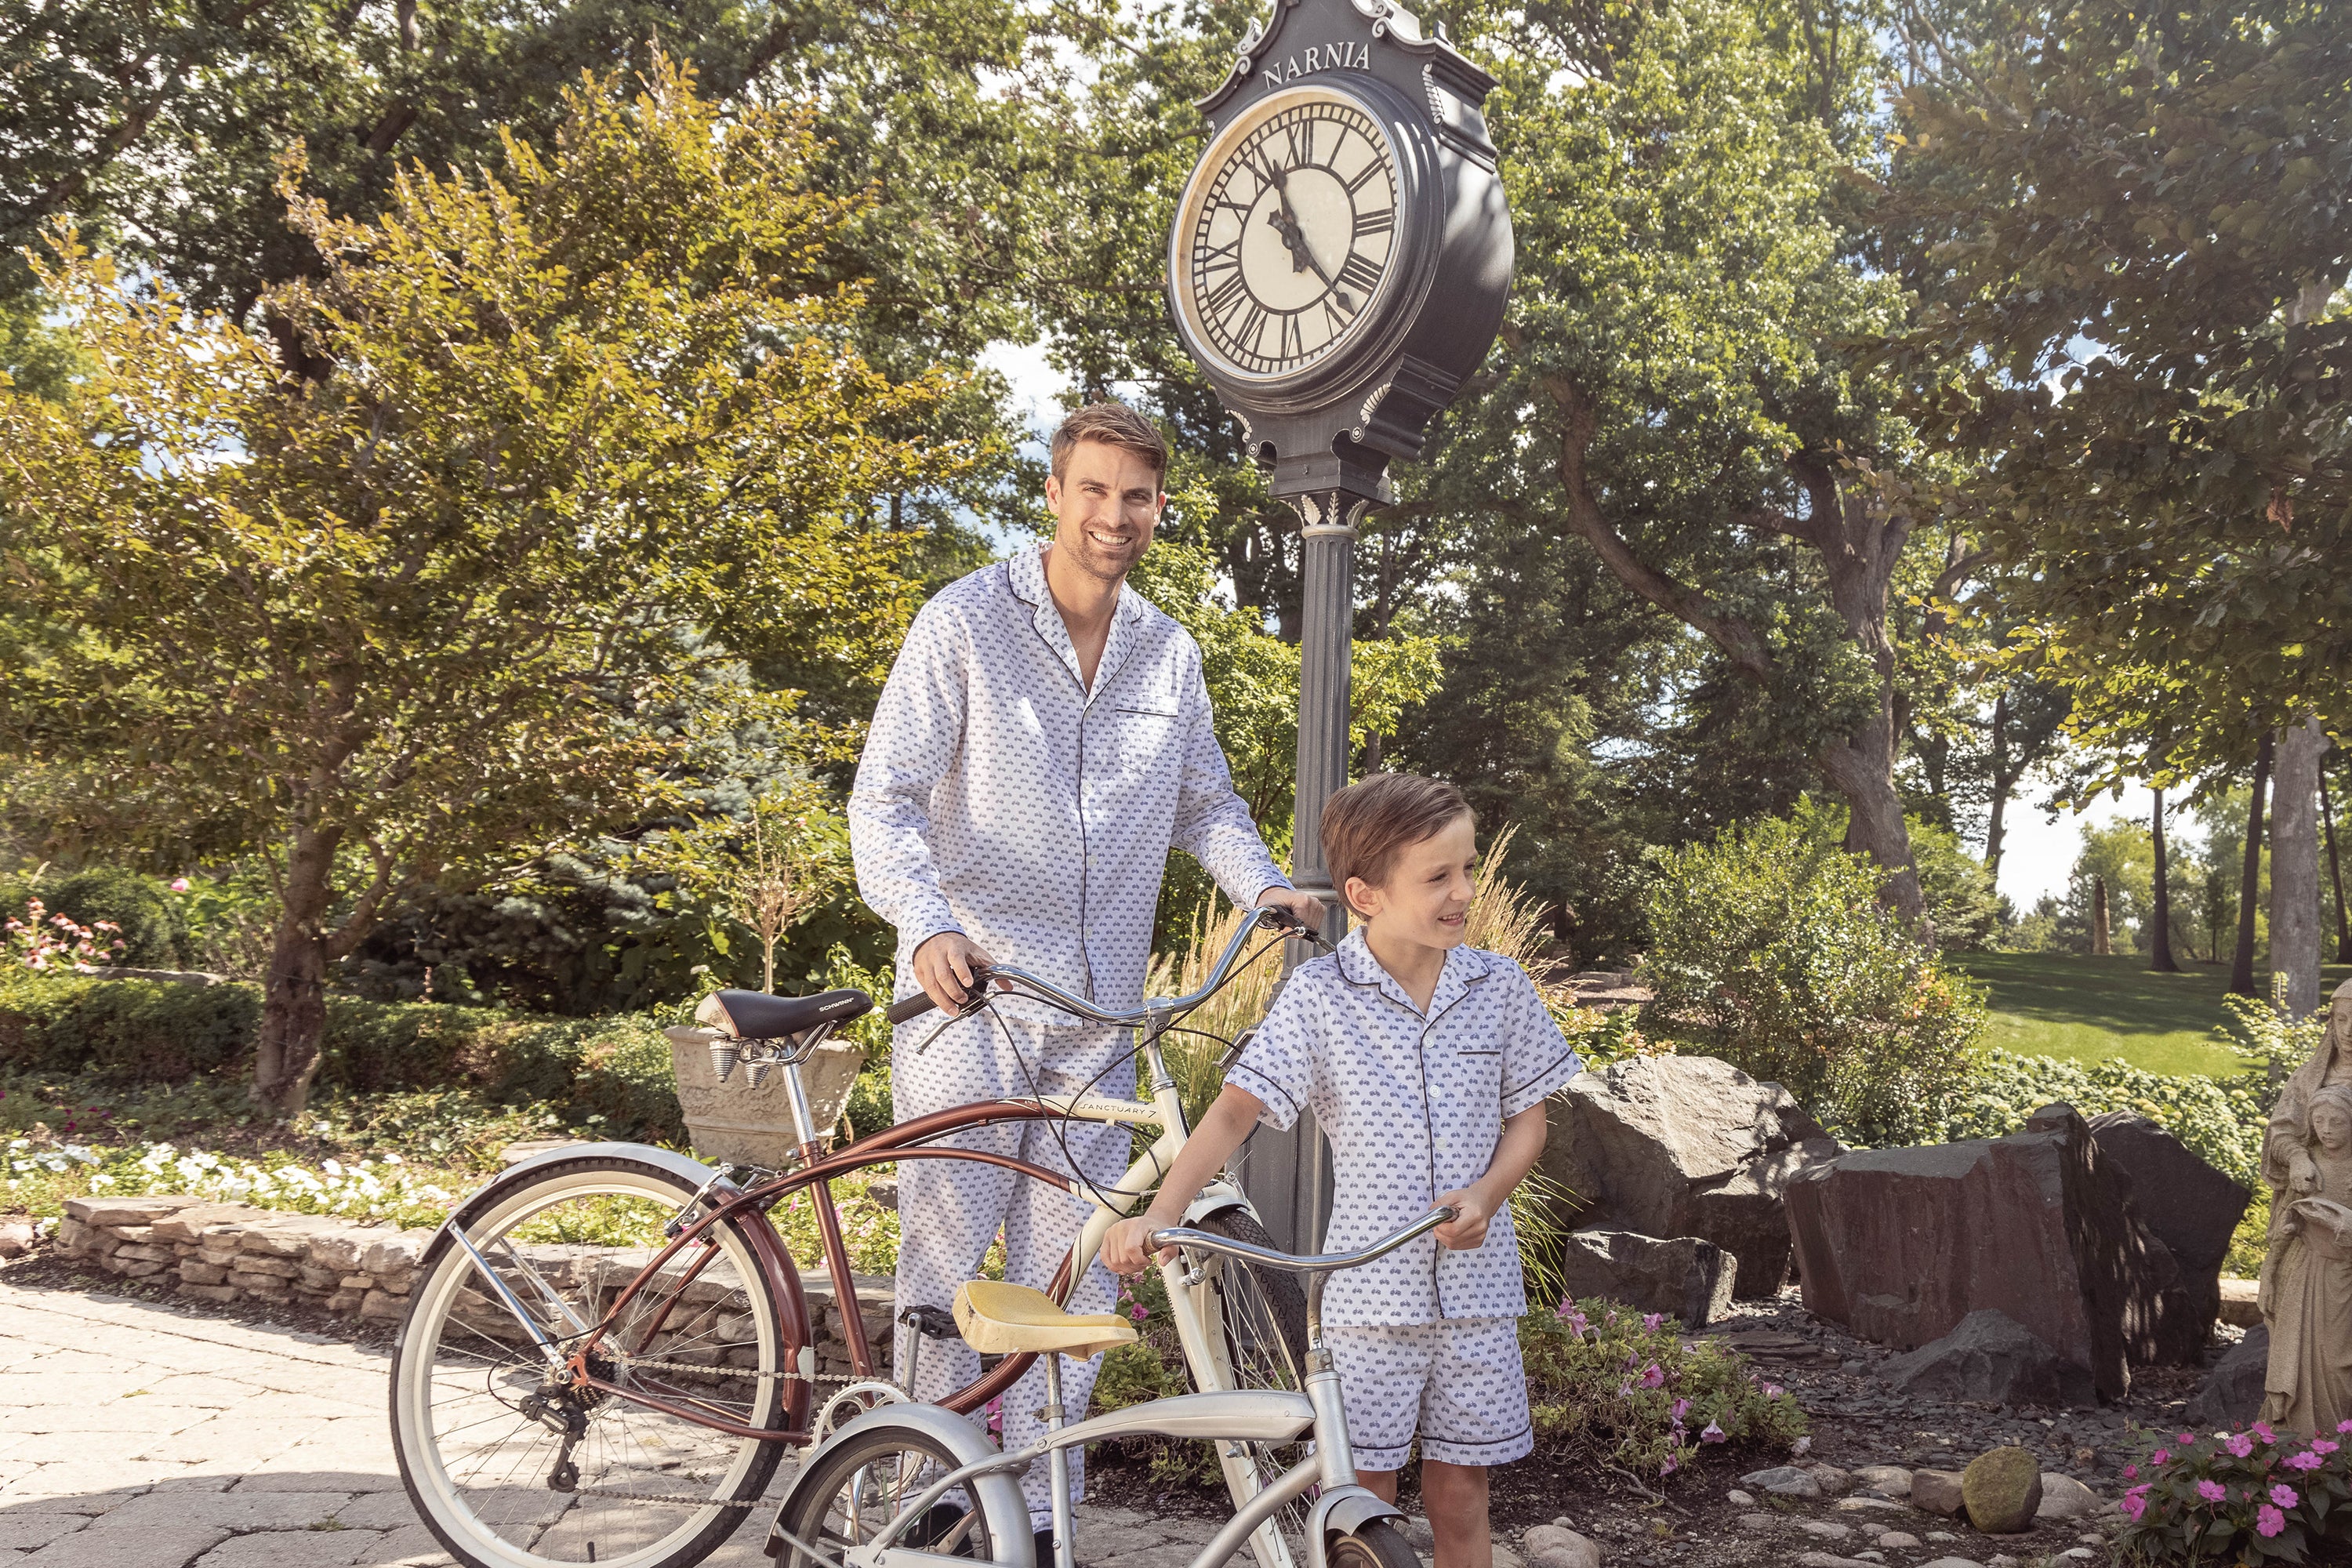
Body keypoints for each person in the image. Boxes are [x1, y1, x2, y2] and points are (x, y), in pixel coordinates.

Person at [848, 400, 1322, 1547]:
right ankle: (917, 1495)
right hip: (973, 1006)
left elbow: (1206, 801)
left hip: (1102, 1022)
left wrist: (1259, 883)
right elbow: (886, 799)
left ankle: (1039, 1512)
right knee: (950, 1265)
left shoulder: (1169, 651)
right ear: (1056, 495)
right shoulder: (962, 622)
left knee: (1081, 1280)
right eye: (1095, 491)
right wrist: (925, 924)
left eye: (1138, 497)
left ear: (1160, 509)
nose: (1115, 516)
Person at [1102, 773, 1581, 1568]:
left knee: (1463, 1493)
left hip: (1478, 1297)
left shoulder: (1499, 988)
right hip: (1369, 1298)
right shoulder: (1319, 997)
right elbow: (1232, 1110)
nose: (1463, 890)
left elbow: (1528, 1120)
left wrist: (1488, 1194)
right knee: (1360, 1499)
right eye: (1438, 876)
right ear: (1364, 893)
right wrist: (1161, 1210)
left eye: (1467, 868)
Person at [2262, 1082, 2352, 1436]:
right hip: (2303, 1270)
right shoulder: (2308, 1168)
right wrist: (2268, 1277)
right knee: (2296, 1358)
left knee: (2338, 1360)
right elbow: (2287, 1228)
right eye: (2319, 1121)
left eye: (2338, 1121)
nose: (2327, 1129)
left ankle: (2337, 1444)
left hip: (2344, 1274)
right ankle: (2298, 1442)